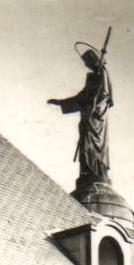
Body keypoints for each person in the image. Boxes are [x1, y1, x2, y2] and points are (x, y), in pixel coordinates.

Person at [49, 44, 112, 183]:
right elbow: (82, 97)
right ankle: (87, 173)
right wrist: (60, 102)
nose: (86, 66)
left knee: (91, 144)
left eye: (87, 63)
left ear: (93, 61)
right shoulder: (93, 77)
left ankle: (96, 172)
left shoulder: (102, 75)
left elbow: (104, 97)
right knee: (85, 144)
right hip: (88, 117)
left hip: (95, 119)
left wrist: (93, 108)